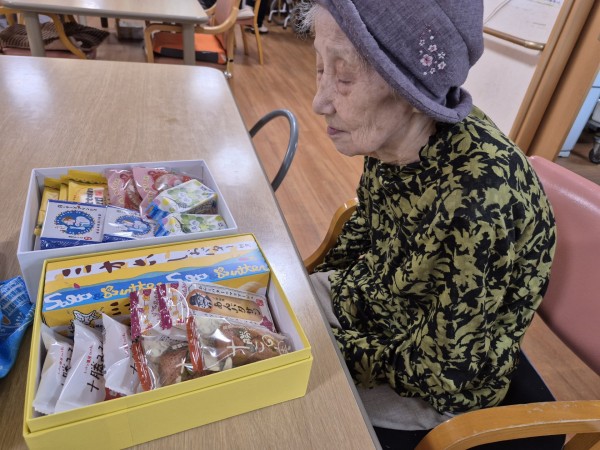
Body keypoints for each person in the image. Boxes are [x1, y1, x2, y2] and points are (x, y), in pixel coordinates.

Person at [301, 0, 557, 437]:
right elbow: (368, 227)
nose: (319, 102)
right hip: (379, 307)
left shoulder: (479, 203)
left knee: (295, 407)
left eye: (343, 77)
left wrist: (324, 349)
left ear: (414, 92)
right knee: (267, 313)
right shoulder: (393, 136)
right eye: (321, 68)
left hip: (432, 380)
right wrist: (304, 302)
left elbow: (445, 369)